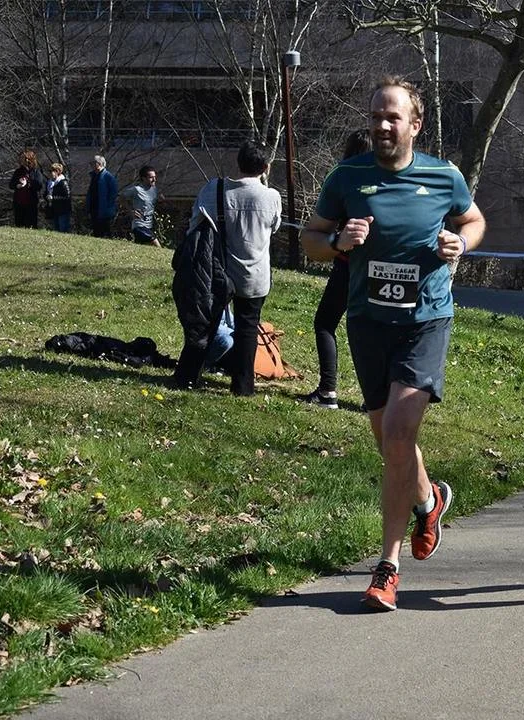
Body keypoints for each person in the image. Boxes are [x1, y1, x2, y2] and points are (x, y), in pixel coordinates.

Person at [300, 75, 486, 612]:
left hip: (425, 320)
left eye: (393, 117)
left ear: (415, 124)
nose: (382, 125)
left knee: (400, 433)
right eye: (376, 116)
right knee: (388, 439)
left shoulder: (443, 175)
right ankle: (429, 500)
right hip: (368, 322)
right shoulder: (347, 177)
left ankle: (387, 567)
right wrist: (338, 242)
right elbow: (310, 239)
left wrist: (460, 242)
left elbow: (474, 220)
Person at [186, 140, 281, 396]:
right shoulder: (271, 197)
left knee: (206, 324)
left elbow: (194, 224)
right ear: (266, 167)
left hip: (216, 272)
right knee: (247, 328)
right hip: (255, 275)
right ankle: (242, 386)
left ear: (237, 163)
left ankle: (189, 374)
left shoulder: (214, 189)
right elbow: (274, 227)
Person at [301, 130, 371, 410]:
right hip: (376, 266)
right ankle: (373, 397)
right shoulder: (389, 183)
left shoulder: (345, 181)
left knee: (325, 323)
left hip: (347, 264)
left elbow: (323, 224)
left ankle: (328, 390)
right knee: (372, 329)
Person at [120, 165, 163, 247]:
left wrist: (161, 200)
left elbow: (154, 203)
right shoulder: (137, 189)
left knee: (141, 248)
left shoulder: (154, 190)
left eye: (155, 177)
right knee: (157, 245)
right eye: (151, 177)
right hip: (139, 225)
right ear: (143, 178)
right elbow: (121, 197)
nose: (154, 180)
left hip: (149, 225)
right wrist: (130, 211)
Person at [8, 150, 46, 229]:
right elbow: (11, 185)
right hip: (19, 202)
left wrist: (28, 183)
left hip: (30, 203)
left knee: (30, 224)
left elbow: (39, 185)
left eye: (24, 159)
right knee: (19, 224)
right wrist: (17, 185)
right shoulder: (18, 171)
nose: (22, 161)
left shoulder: (36, 172)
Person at [85, 155, 117, 238]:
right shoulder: (94, 176)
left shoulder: (108, 177)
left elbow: (113, 194)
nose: (90, 165)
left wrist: (107, 207)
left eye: (92, 163)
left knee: (106, 232)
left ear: (99, 164)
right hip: (94, 208)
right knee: (96, 232)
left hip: (104, 210)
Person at [45, 162, 72, 233]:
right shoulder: (49, 183)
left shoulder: (63, 182)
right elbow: (46, 193)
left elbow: (67, 196)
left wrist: (53, 198)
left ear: (58, 172)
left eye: (52, 171)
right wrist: (46, 196)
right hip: (54, 209)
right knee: (56, 230)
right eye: (50, 171)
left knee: (63, 229)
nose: (50, 173)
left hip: (63, 210)